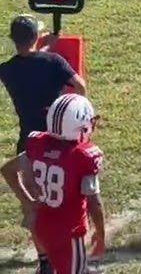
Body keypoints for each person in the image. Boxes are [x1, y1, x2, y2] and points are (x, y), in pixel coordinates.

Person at [0, 15, 86, 274]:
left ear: (13, 39)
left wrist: (42, 47)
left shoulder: (7, 70)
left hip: (28, 142)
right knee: (66, 201)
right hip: (56, 137)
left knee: (35, 204)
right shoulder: (54, 62)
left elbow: (27, 63)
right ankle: (69, 252)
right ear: (36, 36)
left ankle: (45, 260)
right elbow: (80, 87)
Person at [20, 93, 106, 274]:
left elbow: (15, 171)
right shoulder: (82, 156)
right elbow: (94, 203)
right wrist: (100, 234)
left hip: (43, 224)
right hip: (69, 231)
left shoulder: (38, 143)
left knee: (56, 265)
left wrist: (28, 199)